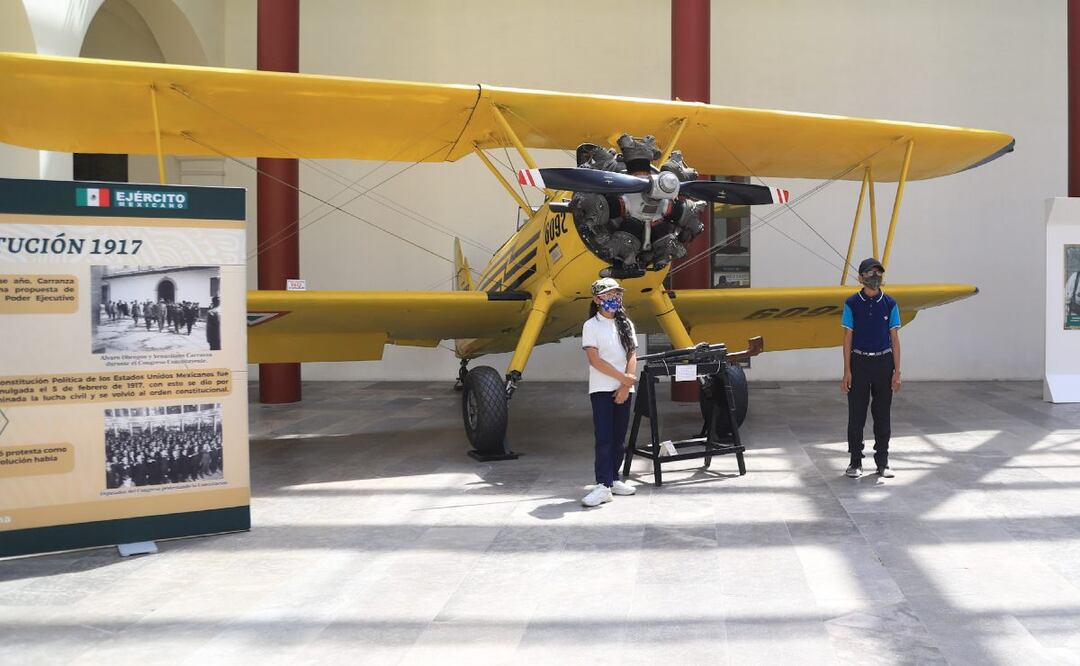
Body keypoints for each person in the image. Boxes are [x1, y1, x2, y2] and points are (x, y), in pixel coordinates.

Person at [841, 257, 902, 479]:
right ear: (860, 277)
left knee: (882, 414)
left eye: (878, 273)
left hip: (883, 363)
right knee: (856, 414)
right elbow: (847, 338)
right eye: (870, 273)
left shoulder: (890, 303)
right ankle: (855, 461)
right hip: (859, 362)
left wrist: (897, 372)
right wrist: (847, 371)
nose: (875, 277)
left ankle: (882, 462)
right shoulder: (851, 303)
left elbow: (894, 339)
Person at [580, 277, 638, 507]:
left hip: (624, 388)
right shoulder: (590, 326)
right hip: (602, 389)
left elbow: (632, 355)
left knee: (618, 438)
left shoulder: (627, 324)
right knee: (604, 438)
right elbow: (595, 360)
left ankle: (614, 478)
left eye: (617, 294)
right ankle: (602, 485)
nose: (615, 298)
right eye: (609, 294)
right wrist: (622, 379)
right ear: (597, 299)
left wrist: (625, 385)